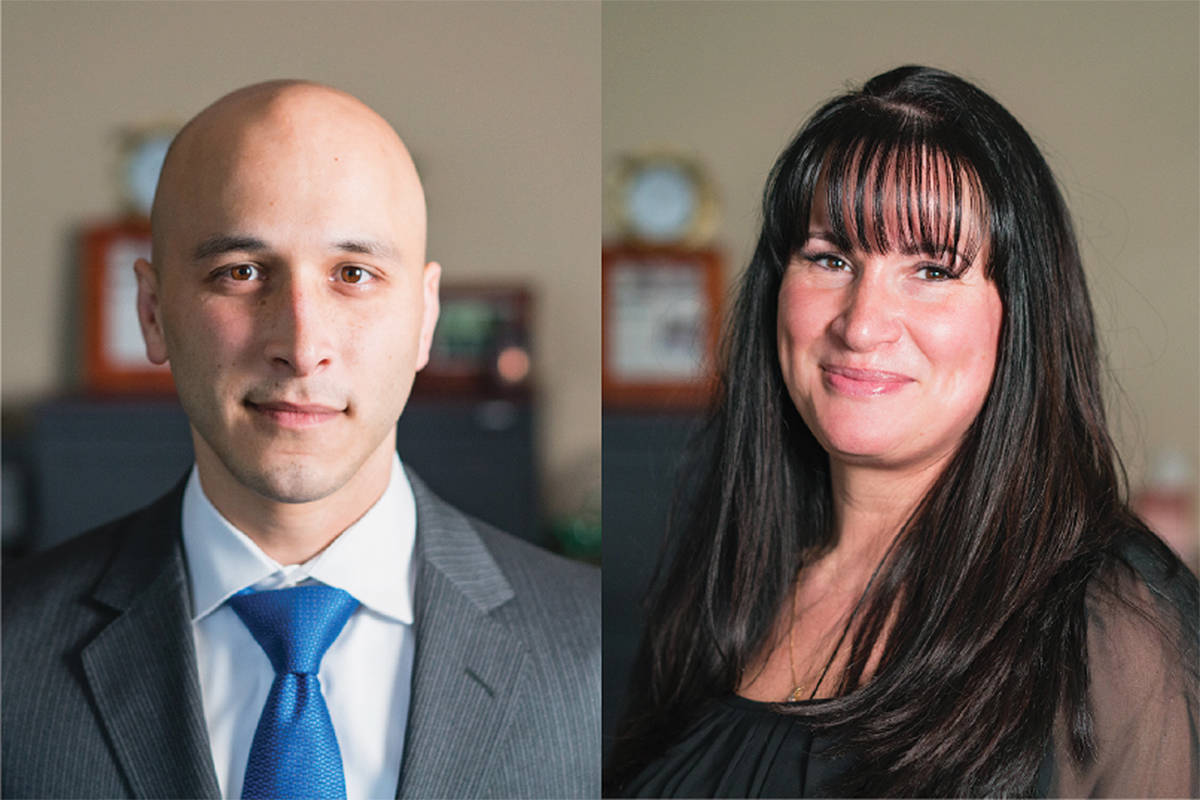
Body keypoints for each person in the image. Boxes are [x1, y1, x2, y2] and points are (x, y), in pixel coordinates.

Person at [605, 66, 1198, 797]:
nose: (860, 324)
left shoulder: (1114, 628)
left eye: (931, 269)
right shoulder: (726, 572)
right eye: (830, 258)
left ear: (1021, 316)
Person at [2, 80, 600, 799]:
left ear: (423, 315)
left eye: (353, 273)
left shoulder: (593, 653)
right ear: (154, 313)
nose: (301, 344)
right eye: (242, 272)